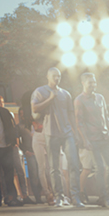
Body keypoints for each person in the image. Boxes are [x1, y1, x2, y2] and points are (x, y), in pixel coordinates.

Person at [32, 67, 83, 207]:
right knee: (54, 167)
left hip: (67, 133)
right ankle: (58, 196)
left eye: (59, 76)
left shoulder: (65, 94)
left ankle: (75, 197)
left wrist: (76, 131)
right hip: (50, 132)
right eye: (54, 76)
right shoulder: (40, 91)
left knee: (73, 164)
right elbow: (34, 108)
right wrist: (50, 99)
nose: (56, 78)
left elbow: (71, 113)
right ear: (47, 77)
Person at [73, 72, 109, 208]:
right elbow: (79, 122)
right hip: (92, 139)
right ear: (83, 83)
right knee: (100, 168)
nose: (93, 85)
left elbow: (106, 116)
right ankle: (104, 198)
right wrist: (85, 140)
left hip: (104, 136)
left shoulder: (100, 98)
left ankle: (106, 195)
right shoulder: (79, 100)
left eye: (94, 82)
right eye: (90, 82)